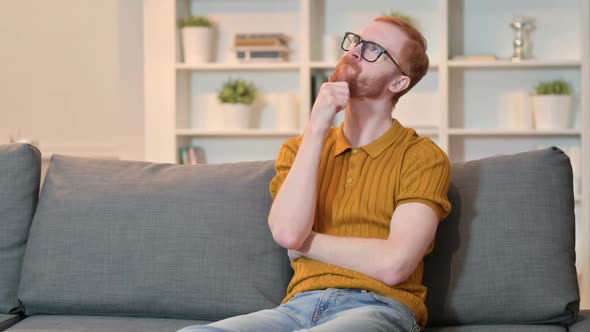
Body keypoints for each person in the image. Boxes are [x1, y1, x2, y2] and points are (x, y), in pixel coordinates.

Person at [178, 16, 451, 332]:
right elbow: (288, 233)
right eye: (356, 41)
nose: (356, 51)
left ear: (398, 83)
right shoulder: (299, 149)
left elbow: (394, 265)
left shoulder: (421, 157)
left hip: (379, 308)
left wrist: (306, 244)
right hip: (297, 308)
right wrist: (317, 126)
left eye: (374, 49)